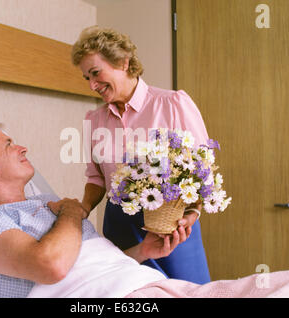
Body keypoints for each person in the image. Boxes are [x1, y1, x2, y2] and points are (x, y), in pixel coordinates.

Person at [0, 123, 289, 299]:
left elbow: (91, 262)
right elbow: (51, 267)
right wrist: (72, 211)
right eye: (10, 144)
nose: (22, 148)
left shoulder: (41, 206)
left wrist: (143, 253)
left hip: (143, 284)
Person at [70, 26, 211, 283]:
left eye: (95, 73)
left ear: (123, 62)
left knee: (192, 290)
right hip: (119, 224)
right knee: (131, 293)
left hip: (171, 223)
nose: (92, 85)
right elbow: (95, 178)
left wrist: (193, 213)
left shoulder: (173, 104)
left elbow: (201, 169)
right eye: (86, 78)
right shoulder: (94, 120)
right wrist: (83, 209)